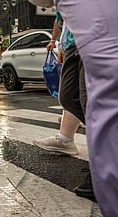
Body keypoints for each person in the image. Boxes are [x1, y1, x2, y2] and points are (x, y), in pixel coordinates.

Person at [19, 0, 117, 213]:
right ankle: (102, 165)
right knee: (86, 89)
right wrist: (57, 39)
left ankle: (91, 154)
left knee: (84, 93)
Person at [31, 12, 93, 199]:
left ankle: (104, 165)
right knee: (67, 98)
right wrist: (60, 42)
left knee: (88, 100)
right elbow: (61, 15)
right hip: (72, 43)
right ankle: (105, 139)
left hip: (91, 36)